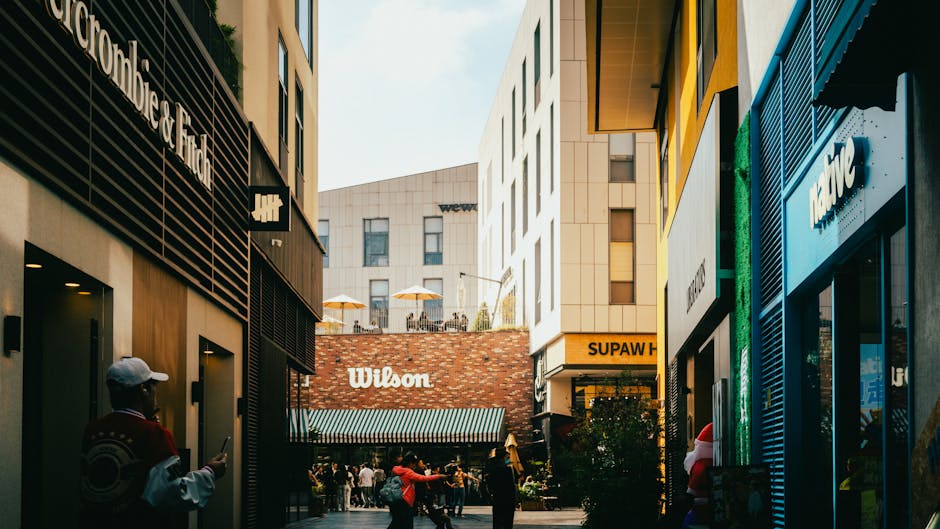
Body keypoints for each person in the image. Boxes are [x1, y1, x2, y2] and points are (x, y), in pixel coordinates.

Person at [80, 357, 227, 529]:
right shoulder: (155, 435)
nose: (156, 395)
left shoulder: (93, 430)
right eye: (154, 387)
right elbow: (173, 494)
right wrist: (210, 472)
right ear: (144, 390)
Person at [388, 452, 448, 529]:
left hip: (395, 499)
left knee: (396, 522)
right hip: (405, 501)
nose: (414, 466)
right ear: (409, 463)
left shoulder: (396, 469)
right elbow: (423, 478)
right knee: (407, 524)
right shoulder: (408, 472)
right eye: (414, 463)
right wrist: (439, 476)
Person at [682, 422, 714, 529]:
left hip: (700, 509)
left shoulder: (699, 466)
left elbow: (691, 492)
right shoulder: (701, 466)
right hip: (703, 510)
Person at [485, 447, 518, 529]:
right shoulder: (508, 470)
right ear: (501, 459)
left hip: (498, 499)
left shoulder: (492, 470)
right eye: (507, 458)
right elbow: (512, 485)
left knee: (498, 522)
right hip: (507, 500)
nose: (508, 460)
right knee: (507, 522)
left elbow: (489, 486)